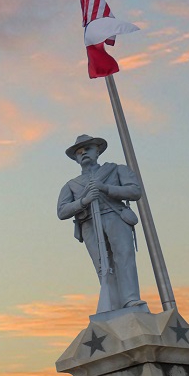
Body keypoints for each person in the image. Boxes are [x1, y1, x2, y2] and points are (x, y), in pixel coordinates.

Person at [57, 134, 146, 314]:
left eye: (88, 149)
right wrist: (84, 201)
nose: (83, 153)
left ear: (98, 150)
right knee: (103, 264)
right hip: (89, 224)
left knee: (124, 257)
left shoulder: (115, 170)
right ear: (75, 158)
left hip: (115, 217)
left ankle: (130, 299)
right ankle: (112, 304)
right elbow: (62, 211)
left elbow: (135, 191)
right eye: (79, 152)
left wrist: (106, 188)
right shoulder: (71, 185)